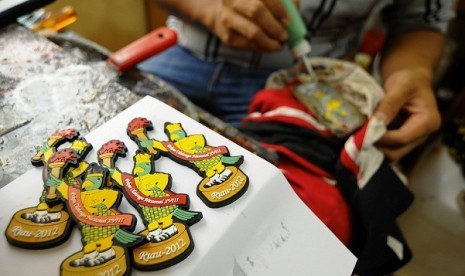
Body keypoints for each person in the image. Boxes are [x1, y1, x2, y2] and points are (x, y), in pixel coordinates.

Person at [138, 0, 455, 161]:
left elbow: (421, 19)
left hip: (303, 85)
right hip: (182, 50)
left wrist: (411, 72)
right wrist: (209, 8)